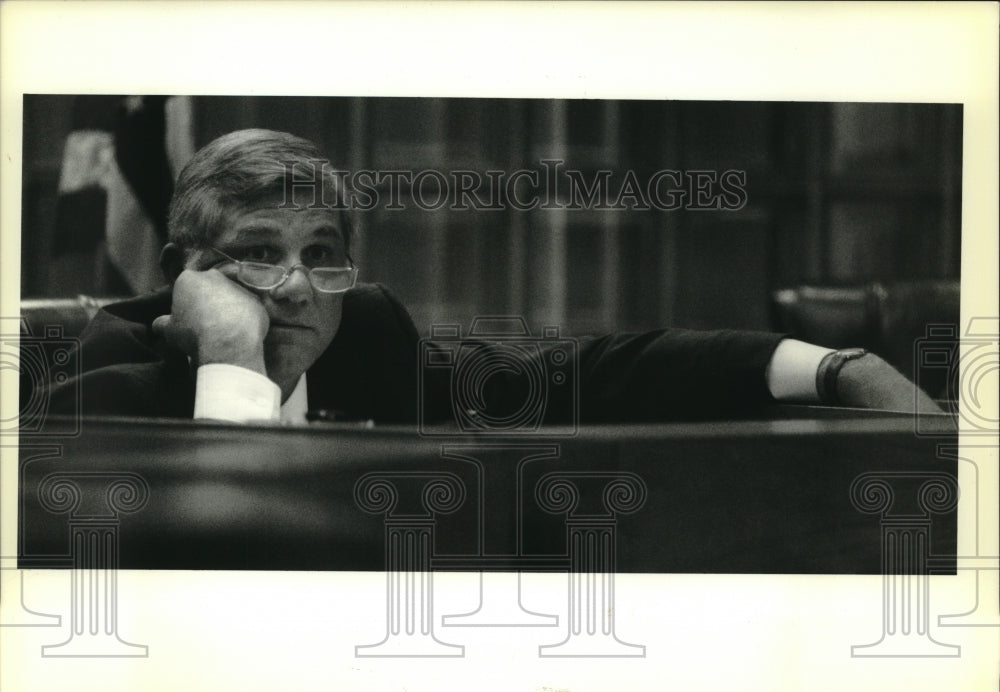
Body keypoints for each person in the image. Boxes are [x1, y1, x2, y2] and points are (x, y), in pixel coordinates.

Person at [48, 128, 942, 426]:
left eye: (321, 255)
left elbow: (596, 373)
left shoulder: (372, 340)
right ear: (182, 274)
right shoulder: (91, 380)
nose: (294, 287)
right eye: (255, 252)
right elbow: (213, 568)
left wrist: (835, 367)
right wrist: (233, 353)